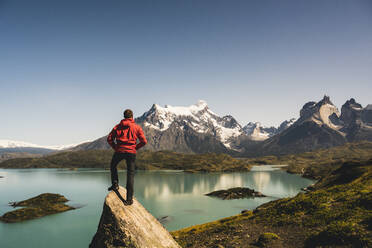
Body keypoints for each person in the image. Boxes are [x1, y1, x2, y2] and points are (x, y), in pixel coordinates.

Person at [107, 109, 147, 205]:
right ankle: (129, 199)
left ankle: (115, 184)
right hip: (131, 152)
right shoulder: (137, 127)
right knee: (130, 174)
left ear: (124, 116)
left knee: (113, 165)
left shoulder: (117, 127)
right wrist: (135, 148)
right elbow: (144, 141)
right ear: (132, 116)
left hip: (119, 151)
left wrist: (116, 147)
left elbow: (109, 139)